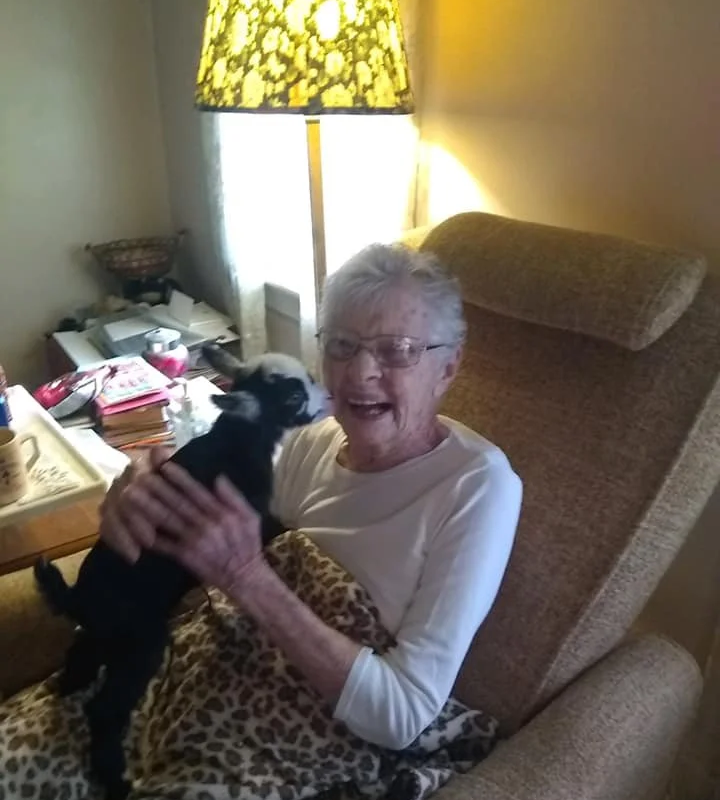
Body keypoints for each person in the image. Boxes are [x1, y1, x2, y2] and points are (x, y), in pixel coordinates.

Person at [100, 242, 523, 751]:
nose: (361, 372)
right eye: (342, 345)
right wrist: (142, 491)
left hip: (293, 749)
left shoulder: (476, 486)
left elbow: (403, 713)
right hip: (197, 693)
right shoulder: (310, 436)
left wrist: (247, 577)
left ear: (448, 368)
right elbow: (205, 508)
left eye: (396, 350)